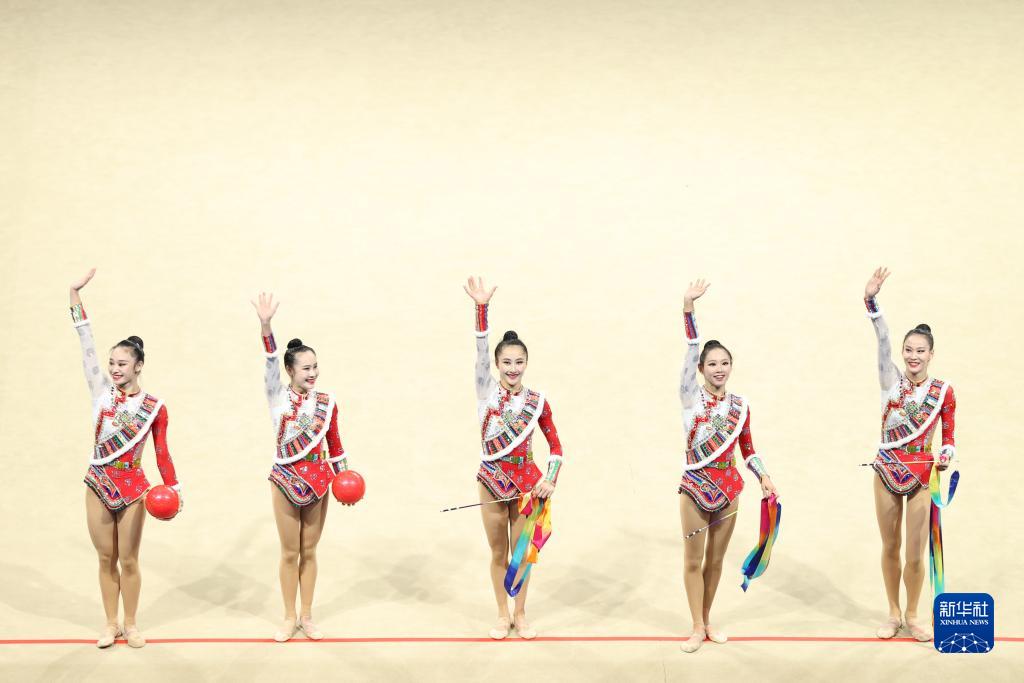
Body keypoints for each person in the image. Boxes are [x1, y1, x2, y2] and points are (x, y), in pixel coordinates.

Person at [70, 268, 181, 649]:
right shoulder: (101, 393)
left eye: (122, 364)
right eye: (112, 363)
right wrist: (75, 295)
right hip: (98, 482)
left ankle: (131, 624)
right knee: (106, 558)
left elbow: (162, 452)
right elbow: (85, 341)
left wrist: (175, 489)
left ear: (138, 366)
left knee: (129, 560)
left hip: (134, 486)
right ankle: (110, 623)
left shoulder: (155, 407)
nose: (115, 369)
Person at [677, 279, 776, 653]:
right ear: (701, 368)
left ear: (731, 366)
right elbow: (691, 348)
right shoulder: (690, 397)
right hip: (694, 488)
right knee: (694, 559)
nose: (719, 369)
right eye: (712, 364)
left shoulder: (740, 406)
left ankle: (706, 620)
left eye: (724, 363)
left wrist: (764, 476)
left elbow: (748, 449)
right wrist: (688, 309)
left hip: (730, 488)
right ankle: (695, 626)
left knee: (716, 561)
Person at [463, 276, 564, 640]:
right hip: (491, 482)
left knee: (522, 554)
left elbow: (556, 447)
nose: (513, 368)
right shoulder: (485, 391)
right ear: (496, 364)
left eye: (519, 362)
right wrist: (481, 308)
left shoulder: (537, 401)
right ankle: (502, 614)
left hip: (527, 486)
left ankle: (520, 614)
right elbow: (479, 350)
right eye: (506, 362)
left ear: (526, 363)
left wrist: (550, 478)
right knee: (498, 552)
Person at [252, 292, 353, 642]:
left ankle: (307, 616)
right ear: (290, 371)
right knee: (290, 552)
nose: (313, 373)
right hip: (285, 479)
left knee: (309, 551)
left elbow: (335, 445)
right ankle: (288, 616)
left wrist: (344, 480)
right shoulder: (277, 397)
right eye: (306, 368)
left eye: (315, 367)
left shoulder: (327, 402)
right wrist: (266, 327)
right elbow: (269, 361)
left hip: (320, 481)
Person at [863, 268, 956, 642]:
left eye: (920, 351)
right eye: (909, 350)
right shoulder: (890, 380)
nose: (913, 356)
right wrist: (872, 301)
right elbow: (883, 339)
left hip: (921, 474)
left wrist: (945, 454)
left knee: (915, 552)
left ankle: (914, 614)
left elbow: (949, 437)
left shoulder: (943, 391)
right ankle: (893, 612)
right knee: (891, 546)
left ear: (931, 354)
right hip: (887, 471)